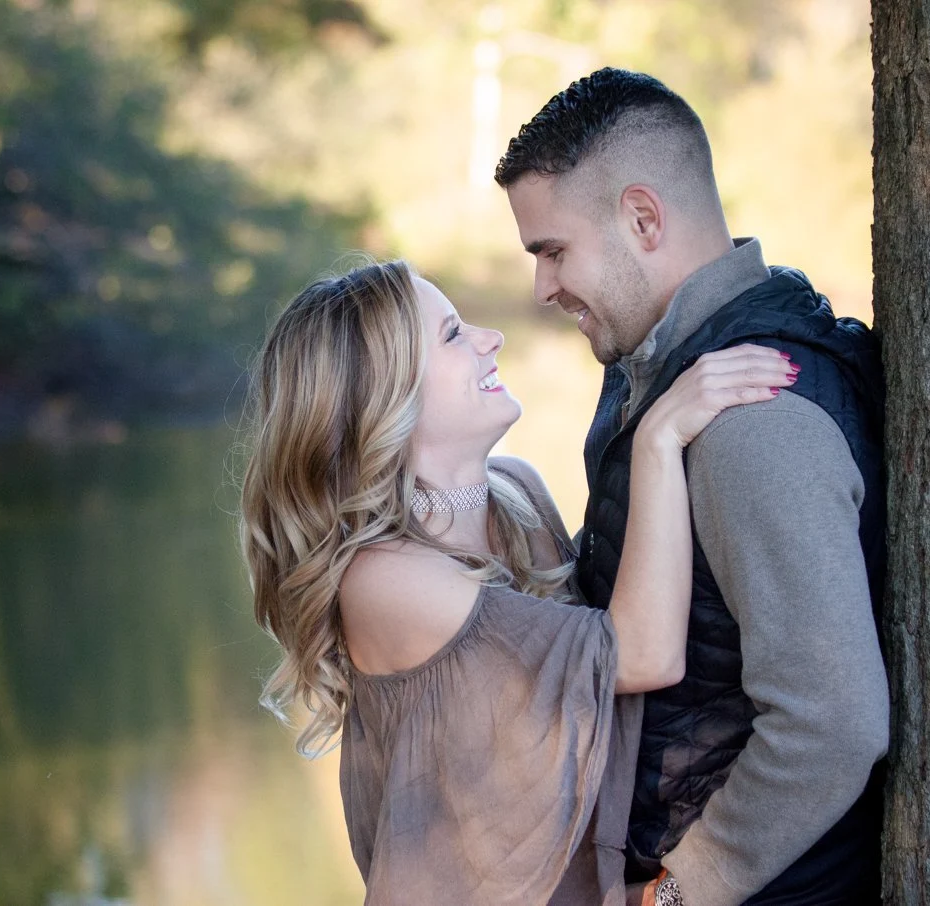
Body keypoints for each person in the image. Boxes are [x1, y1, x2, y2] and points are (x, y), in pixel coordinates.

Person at [238, 258, 798, 904]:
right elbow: (642, 652)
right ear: (384, 399)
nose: (490, 338)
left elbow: (601, 698)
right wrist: (659, 436)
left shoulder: (517, 498)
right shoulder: (381, 584)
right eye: (451, 335)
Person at [495, 68, 891, 906]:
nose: (542, 288)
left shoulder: (754, 419)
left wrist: (678, 894)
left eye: (553, 251)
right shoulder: (659, 365)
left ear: (642, 218)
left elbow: (832, 724)